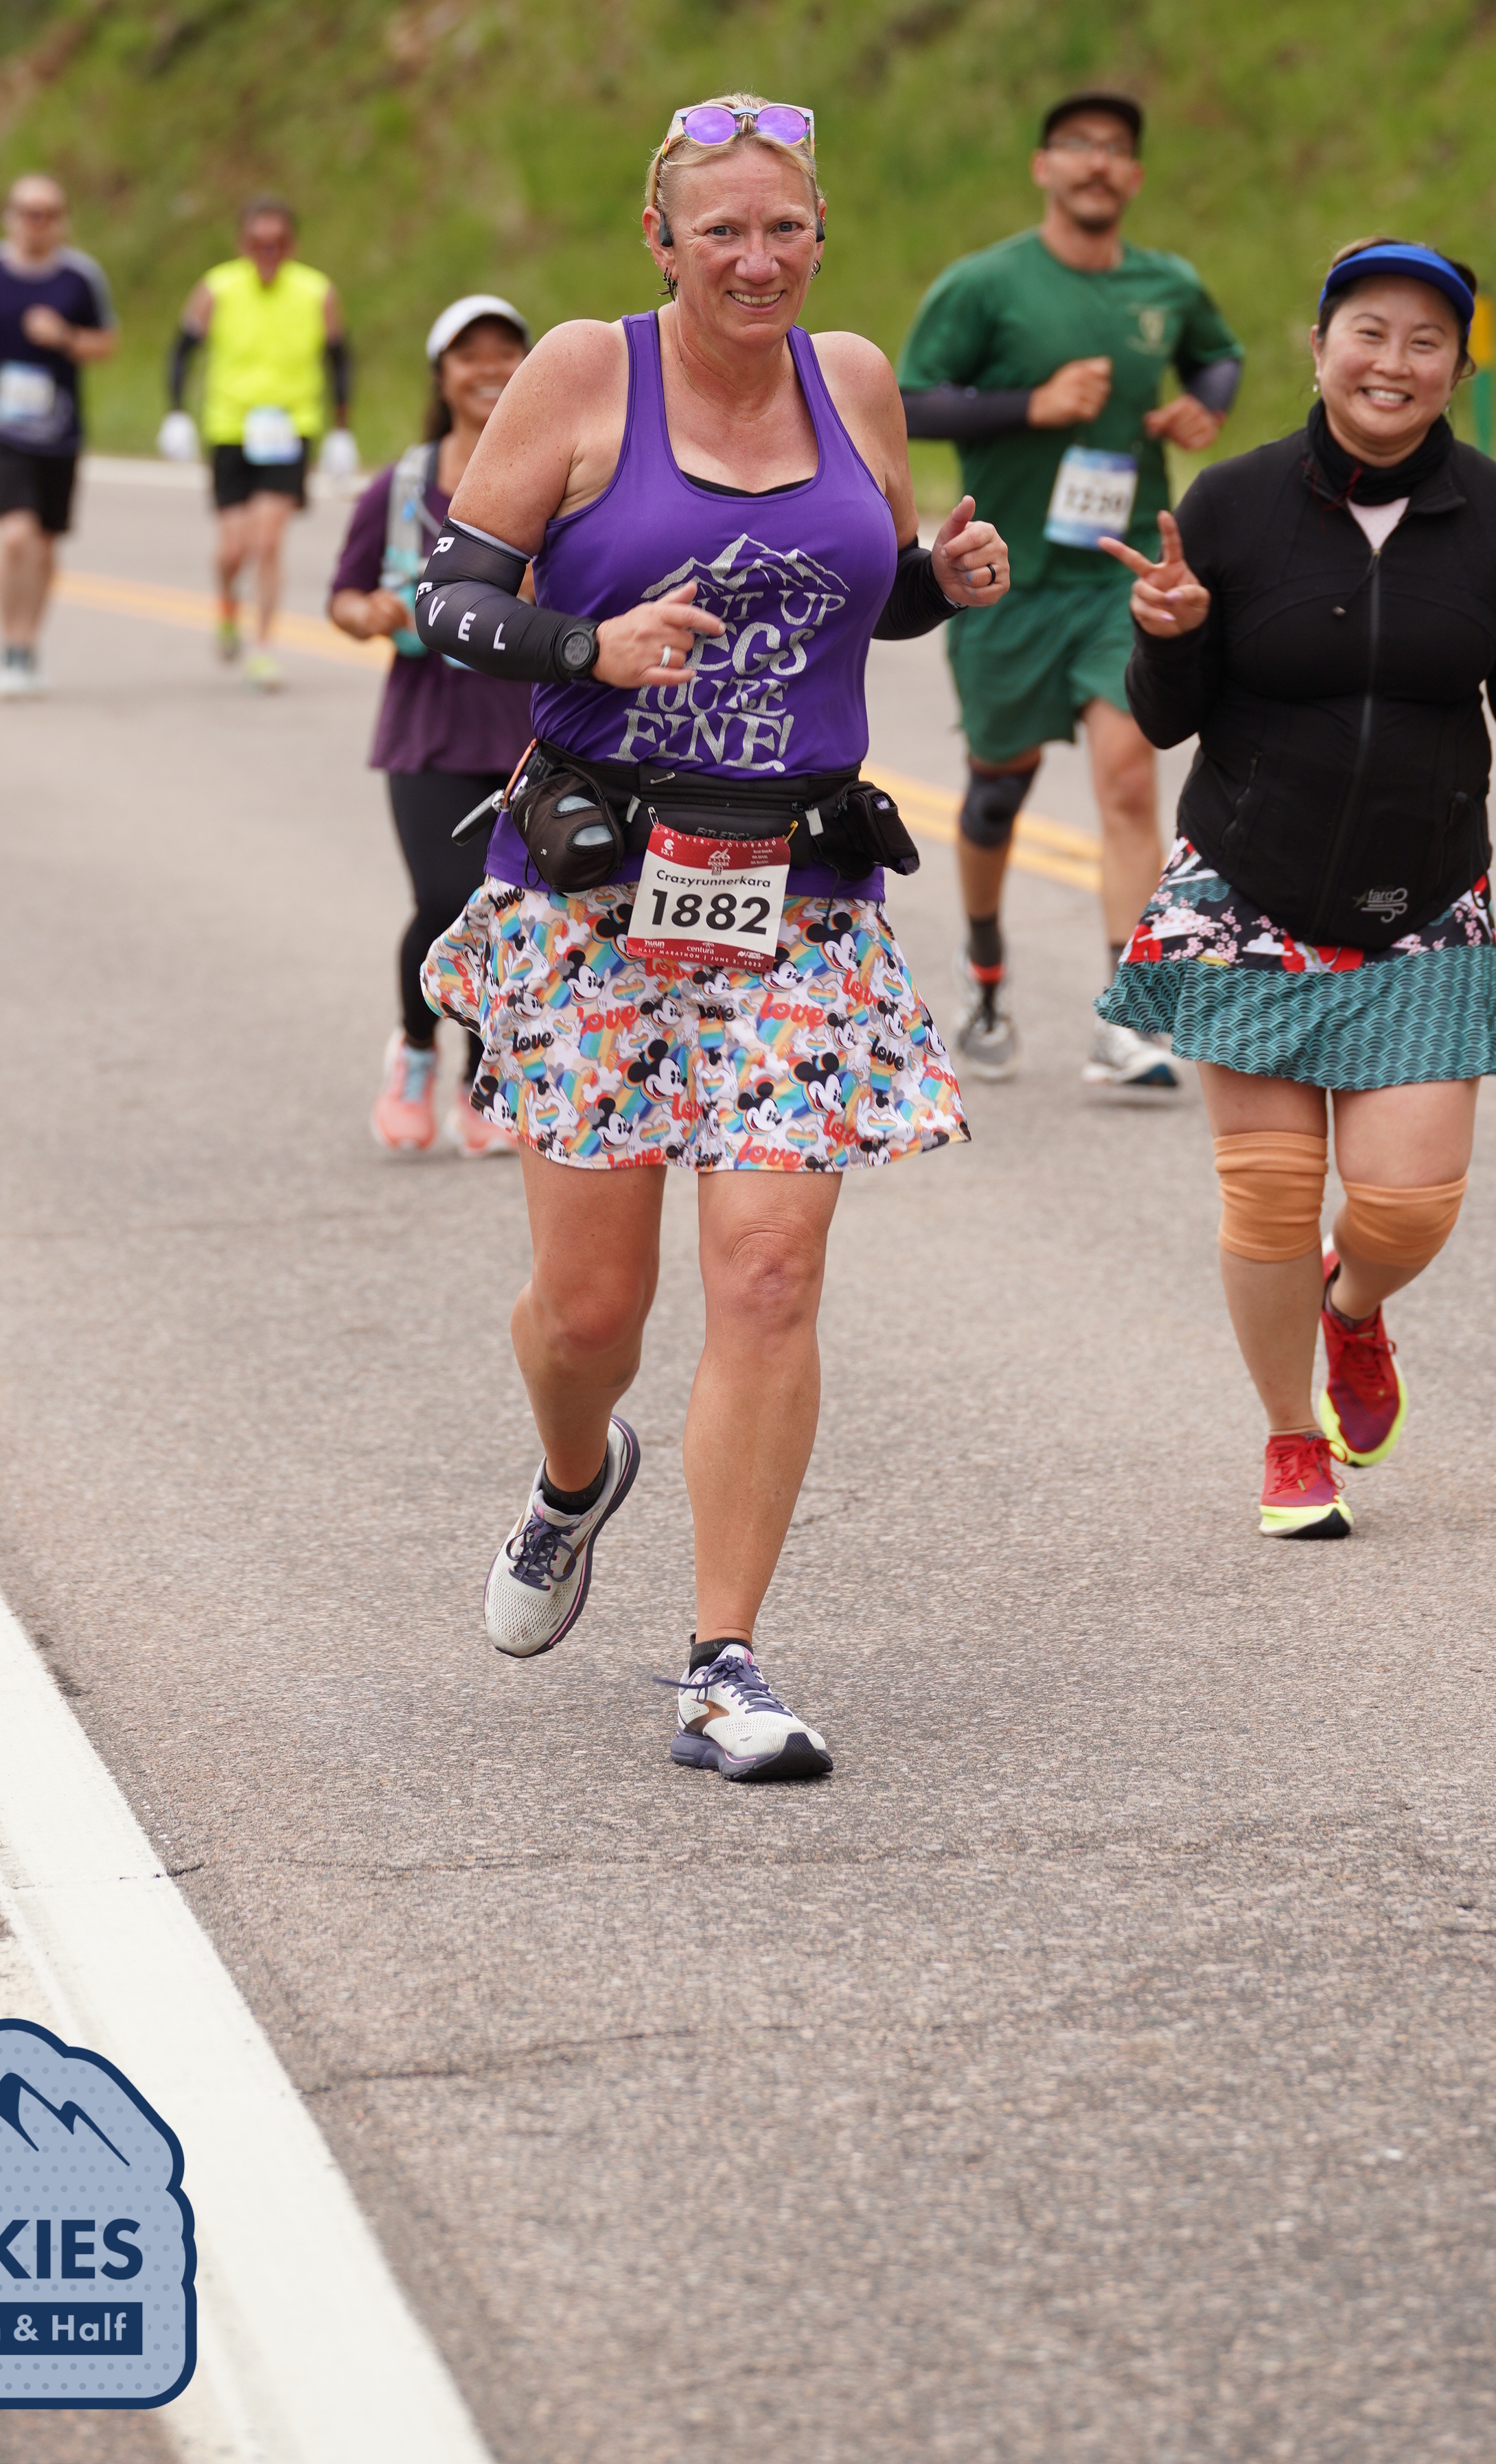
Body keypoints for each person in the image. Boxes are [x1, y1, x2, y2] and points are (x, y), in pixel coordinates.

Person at [412, 94, 1009, 1780]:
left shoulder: (856, 380)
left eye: (785, 227)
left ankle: (721, 1661)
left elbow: (867, 584)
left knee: (765, 1269)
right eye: (722, 230)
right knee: (588, 1313)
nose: (757, 259)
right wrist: (584, 648)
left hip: (798, 899)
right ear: (660, 240)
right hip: (596, 901)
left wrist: (943, 576)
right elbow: (447, 599)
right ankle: (571, 1478)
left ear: (820, 236)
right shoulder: (582, 376)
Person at [1095, 237, 1496, 1541]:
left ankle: (1349, 1310)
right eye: (1367, 331)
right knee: (1268, 1193)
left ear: (1456, 369)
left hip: (1424, 899)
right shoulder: (1232, 504)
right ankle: (1290, 1438)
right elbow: (1167, 718)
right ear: (1318, 348)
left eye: (1425, 342)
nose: (1392, 362)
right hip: (1243, 891)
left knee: (1405, 1208)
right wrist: (1166, 636)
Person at [897, 85, 1245, 1091]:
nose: (1098, 162)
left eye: (1116, 149)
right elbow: (909, 401)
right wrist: (1030, 405)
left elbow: (1218, 357)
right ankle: (983, 967)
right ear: (1043, 167)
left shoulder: (1166, 284)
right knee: (997, 793)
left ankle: (1126, 1018)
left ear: (1135, 175)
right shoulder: (985, 285)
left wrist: (1201, 405)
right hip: (1003, 579)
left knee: (1129, 782)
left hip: (1116, 573)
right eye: (1078, 145)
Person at [328, 294, 536, 1159]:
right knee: (446, 901)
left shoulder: (554, 476)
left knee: (515, 913)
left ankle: (484, 1078)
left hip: (530, 731)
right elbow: (343, 597)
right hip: (430, 729)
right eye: (468, 355)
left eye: (505, 352)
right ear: (441, 375)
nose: (489, 369)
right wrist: (370, 613)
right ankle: (416, 1047)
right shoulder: (402, 488)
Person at [0, 176, 117, 699]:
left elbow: (107, 342)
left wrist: (66, 337)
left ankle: (29, 643)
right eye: (29, 213)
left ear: (63, 220)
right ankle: (8, 645)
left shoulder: (80, 277)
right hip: (0, 423)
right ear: (9, 216)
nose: (38, 224)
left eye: (48, 214)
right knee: (15, 535)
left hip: (59, 429)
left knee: (46, 544)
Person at [159, 197, 356, 692]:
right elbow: (181, 352)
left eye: (278, 243)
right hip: (230, 428)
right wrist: (176, 413)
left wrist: (341, 428)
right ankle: (228, 604)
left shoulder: (317, 292)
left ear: (293, 244)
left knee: (268, 540)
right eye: (259, 243)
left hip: (290, 428)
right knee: (233, 549)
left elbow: (340, 361)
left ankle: (263, 647)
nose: (269, 252)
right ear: (242, 244)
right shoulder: (217, 288)